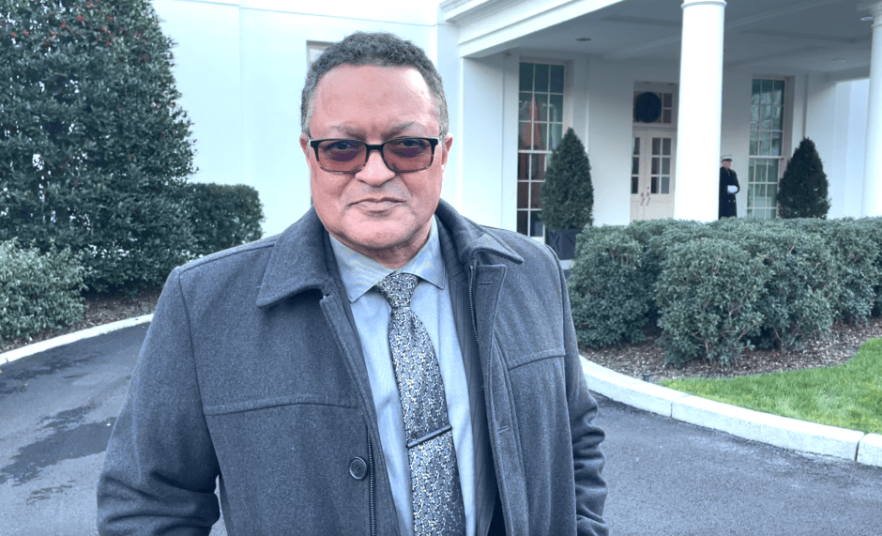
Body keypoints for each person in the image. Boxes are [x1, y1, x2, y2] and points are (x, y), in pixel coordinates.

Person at [97, 31, 608, 536]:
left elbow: (575, 439)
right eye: (343, 148)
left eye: (407, 146)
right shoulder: (203, 303)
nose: (376, 172)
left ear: (443, 152)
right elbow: (148, 505)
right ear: (309, 153)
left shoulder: (531, 272)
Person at [719, 154, 740, 218]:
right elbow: (719, 186)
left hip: (731, 200)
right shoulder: (719, 172)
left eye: (730, 161)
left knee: (732, 218)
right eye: (727, 161)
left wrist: (736, 189)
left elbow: (737, 186)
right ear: (723, 162)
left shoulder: (733, 173)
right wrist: (726, 188)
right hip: (723, 201)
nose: (729, 163)